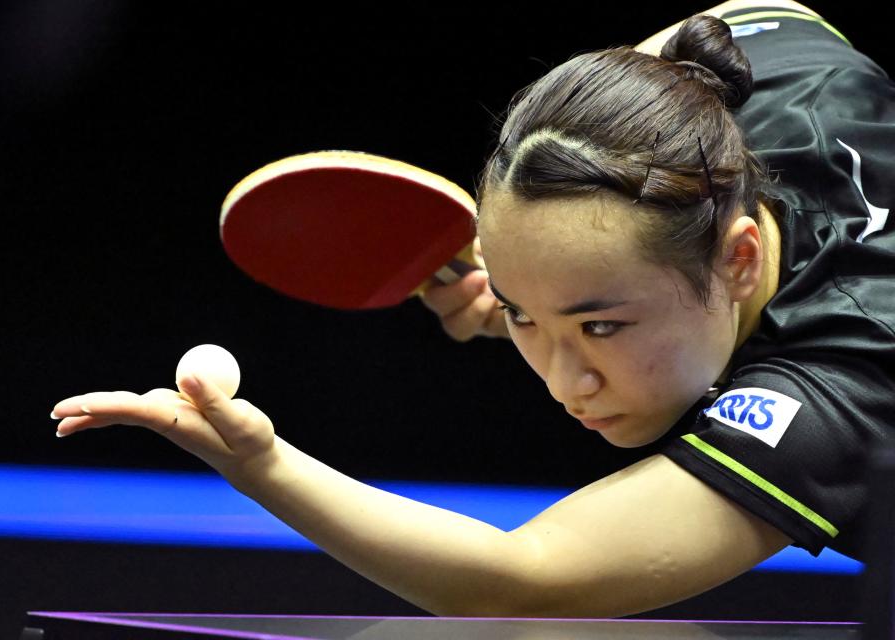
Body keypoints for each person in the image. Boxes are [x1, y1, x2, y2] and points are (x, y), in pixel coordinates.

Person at [51, 0, 894, 617]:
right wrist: (545, 278)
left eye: (601, 326)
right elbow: (752, 18)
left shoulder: (848, 381)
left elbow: (525, 578)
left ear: (740, 258)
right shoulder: (779, 78)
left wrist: (258, 464)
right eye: (528, 321)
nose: (567, 381)